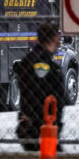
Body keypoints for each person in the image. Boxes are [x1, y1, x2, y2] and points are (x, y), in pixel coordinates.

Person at [14, 23, 66, 152]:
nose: (59, 43)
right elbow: (40, 93)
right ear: (55, 39)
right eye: (58, 38)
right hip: (42, 125)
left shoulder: (29, 60)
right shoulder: (42, 63)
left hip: (33, 123)